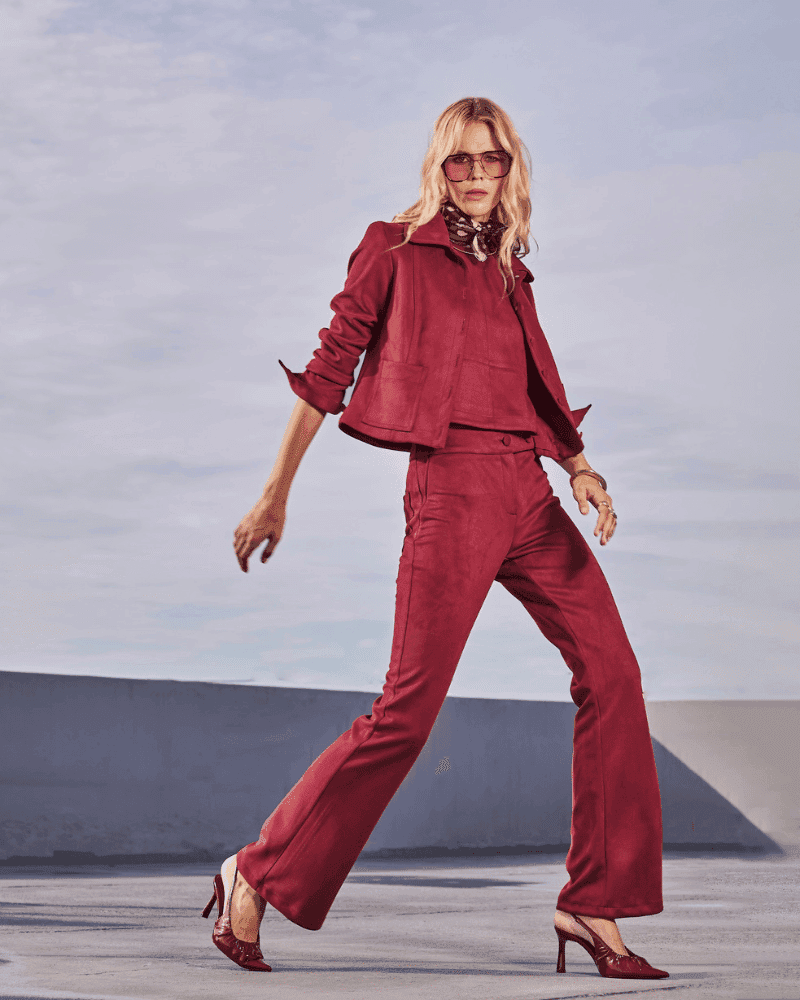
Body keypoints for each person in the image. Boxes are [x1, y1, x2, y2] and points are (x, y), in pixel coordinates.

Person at [202, 97, 669, 981]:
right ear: (438, 167)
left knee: (613, 673)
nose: (479, 175)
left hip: (529, 494)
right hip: (450, 490)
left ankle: (593, 898)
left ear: (511, 167)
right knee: (407, 712)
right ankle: (254, 870)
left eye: (493, 160)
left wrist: (580, 467)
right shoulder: (393, 248)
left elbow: (535, 381)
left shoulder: (510, 270)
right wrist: (274, 494)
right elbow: (328, 371)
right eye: (462, 160)